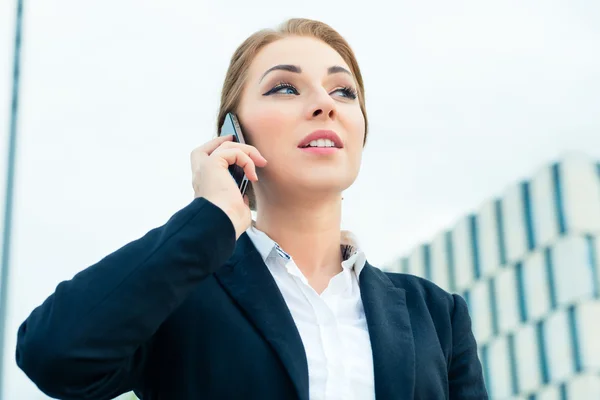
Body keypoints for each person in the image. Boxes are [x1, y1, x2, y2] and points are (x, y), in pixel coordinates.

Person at [16, 18, 488, 400]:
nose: (325, 103)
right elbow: (53, 354)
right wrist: (211, 218)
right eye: (285, 87)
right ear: (233, 135)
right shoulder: (181, 296)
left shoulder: (437, 315)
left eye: (343, 91)